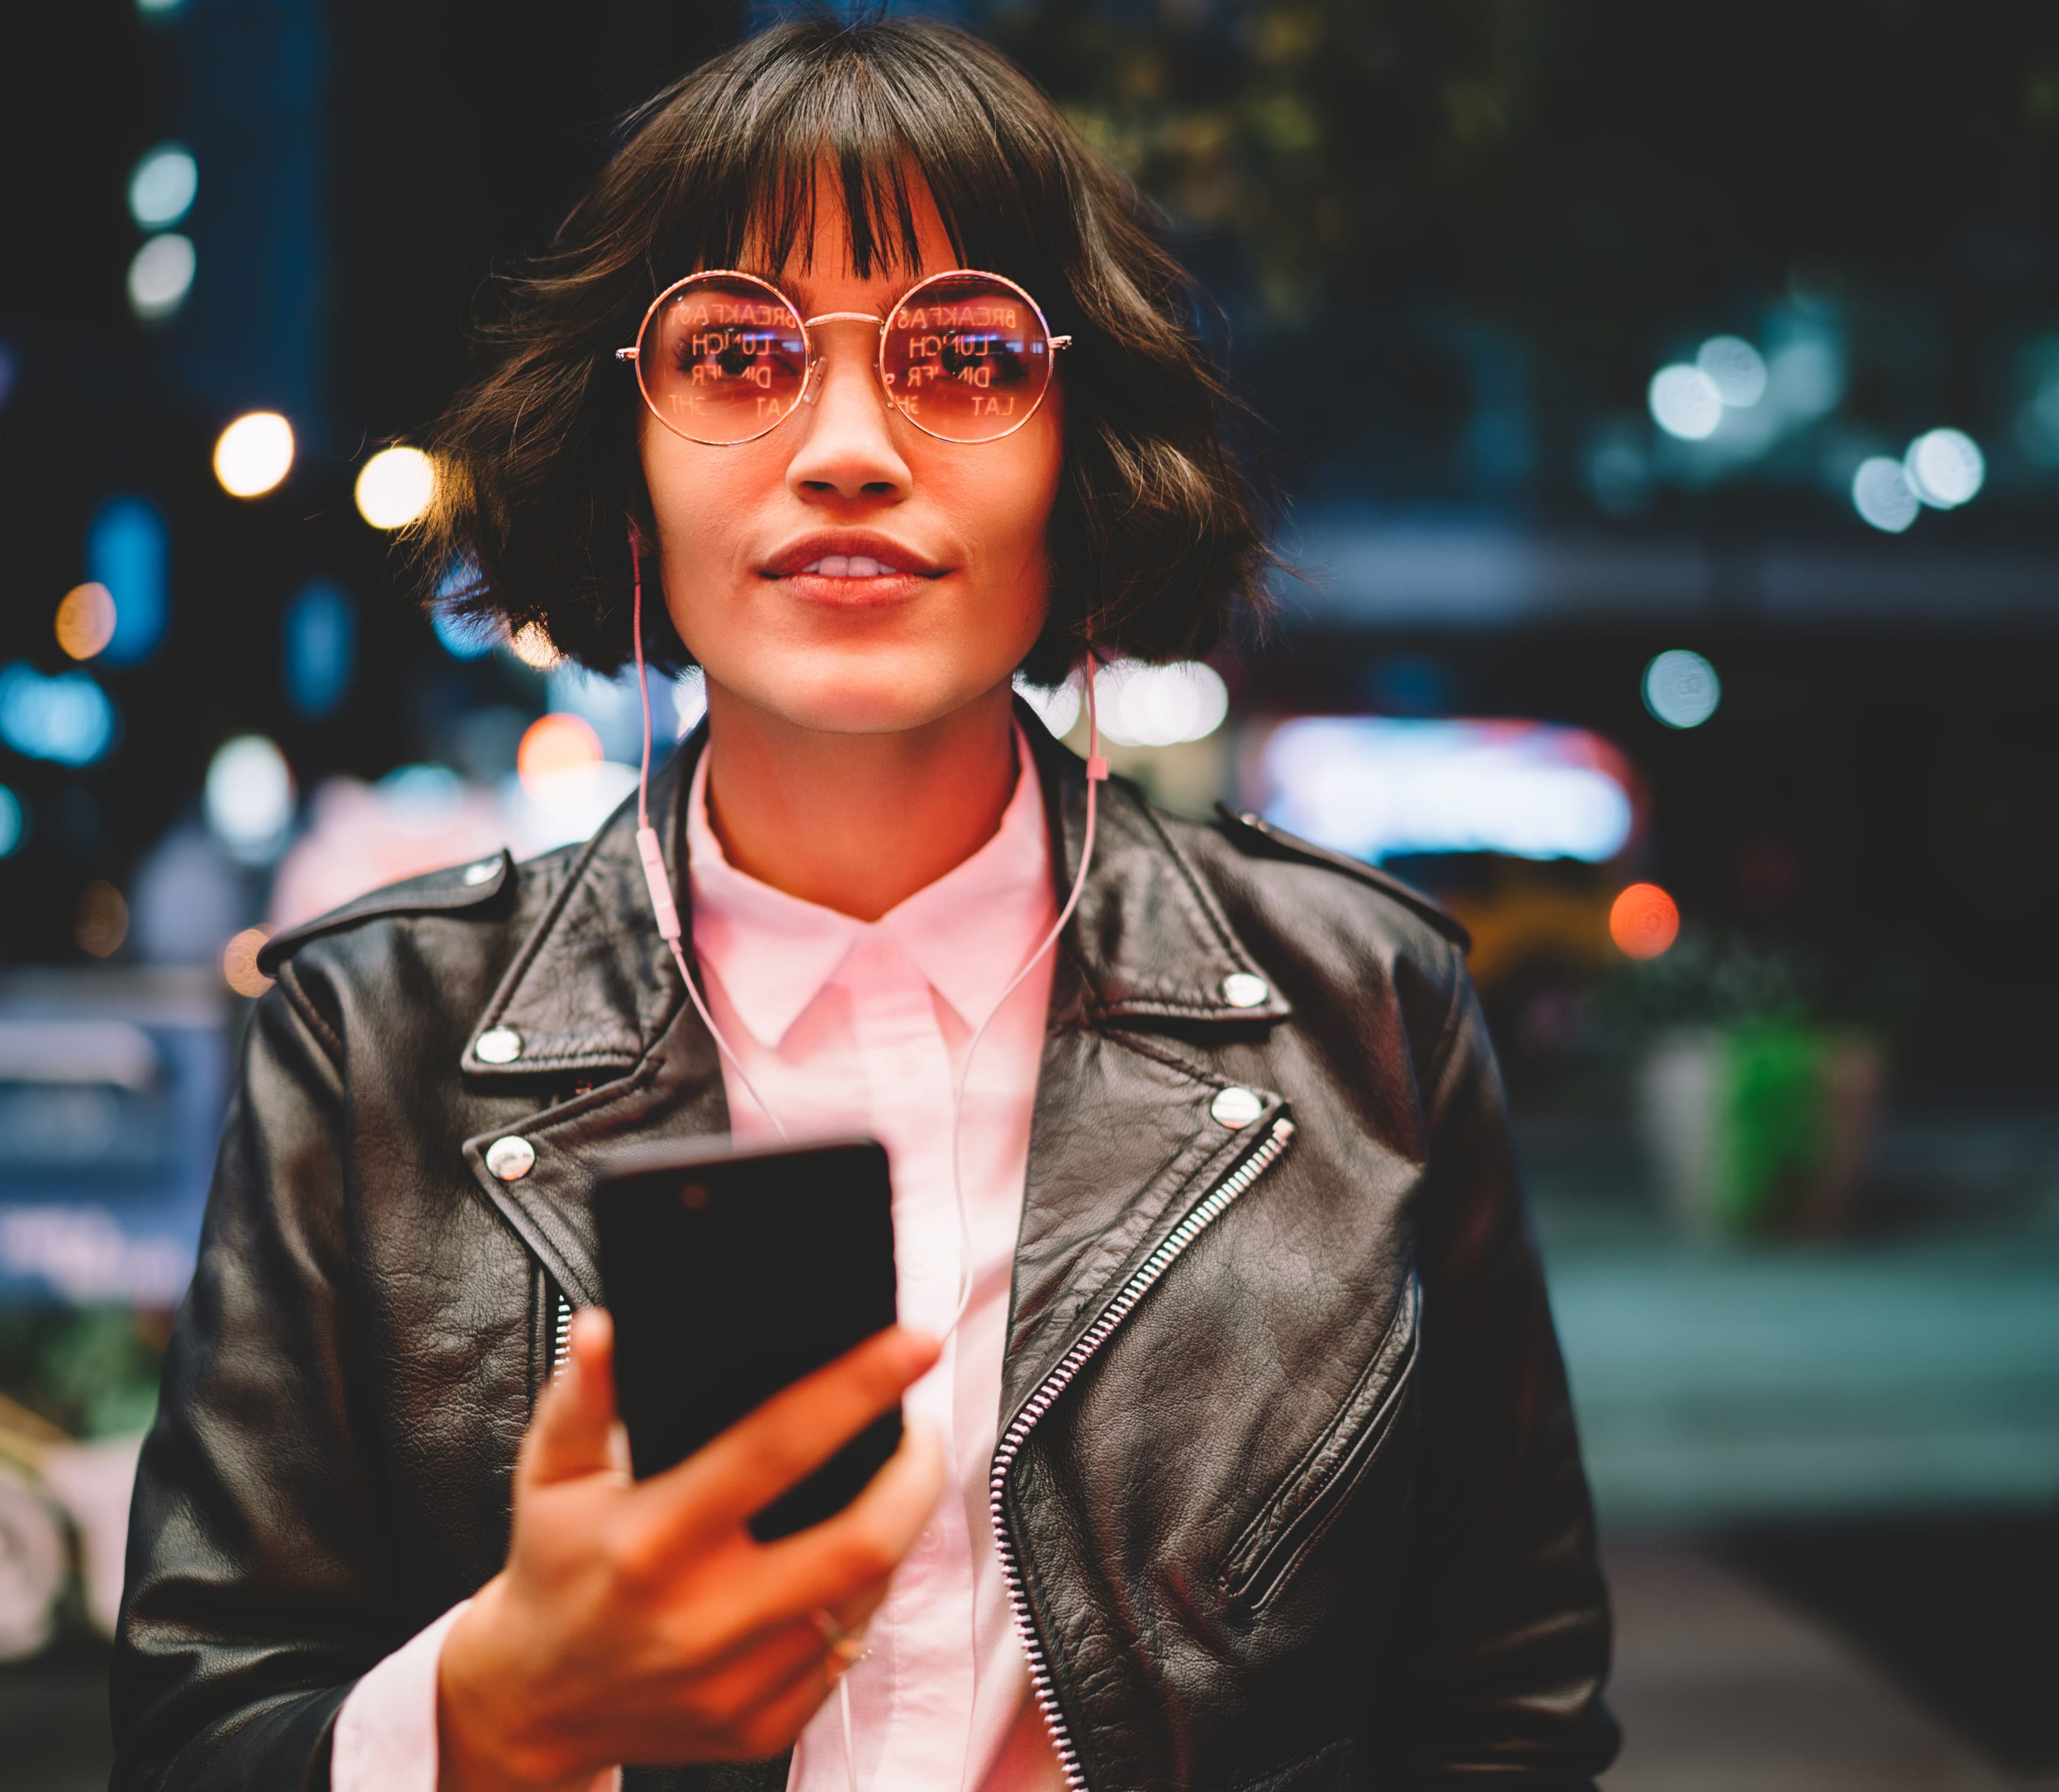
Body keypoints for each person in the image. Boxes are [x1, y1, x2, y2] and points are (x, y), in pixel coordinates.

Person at [111, 18, 1616, 1792]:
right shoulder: (371, 1040)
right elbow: (203, 1727)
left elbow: (1506, 1715)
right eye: (740, 355)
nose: (845, 446)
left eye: (964, 358)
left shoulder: (1369, 1003)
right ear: (627, 461)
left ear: (1087, 448)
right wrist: (491, 1717)